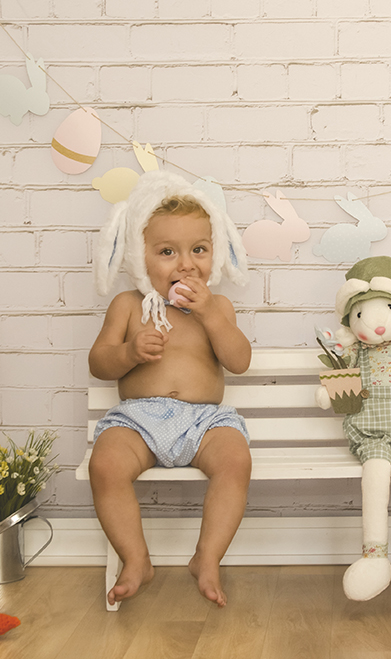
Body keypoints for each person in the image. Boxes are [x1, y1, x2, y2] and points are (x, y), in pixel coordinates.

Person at [88, 170, 251, 607]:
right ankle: (136, 558)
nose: (185, 264)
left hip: (204, 422)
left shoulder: (218, 307)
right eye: (167, 252)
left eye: (198, 249)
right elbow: (98, 362)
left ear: (213, 255)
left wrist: (211, 317)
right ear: (140, 259)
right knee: (105, 465)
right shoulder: (128, 306)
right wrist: (128, 353)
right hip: (138, 420)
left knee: (236, 460)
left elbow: (239, 361)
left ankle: (208, 557)